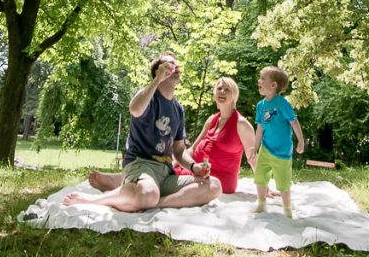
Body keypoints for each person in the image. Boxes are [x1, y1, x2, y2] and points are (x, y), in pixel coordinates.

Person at [63, 52, 222, 211]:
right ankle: (94, 199)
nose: (176, 66)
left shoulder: (178, 108)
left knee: (214, 185)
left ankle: (155, 201)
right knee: (148, 193)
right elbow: (135, 109)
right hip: (140, 164)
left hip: (165, 174)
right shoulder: (147, 96)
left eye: (176, 64)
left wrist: (194, 167)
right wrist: (157, 81)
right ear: (158, 71)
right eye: (169, 64)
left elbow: (179, 151)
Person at [88, 76, 257, 194]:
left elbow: (252, 157)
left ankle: (118, 182)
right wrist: (176, 162)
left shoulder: (241, 123)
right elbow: (191, 149)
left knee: (165, 177)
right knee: (166, 170)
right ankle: (123, 180)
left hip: (220, 178)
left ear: (234, 95)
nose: (222, 91)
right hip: (196, 169)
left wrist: (262, 184)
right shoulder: (212, 120)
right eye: (219, 88)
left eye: (227, 89)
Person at [247, 65, 304, 217]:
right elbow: (260, 127)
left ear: (273, 85)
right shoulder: (261, 105)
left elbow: (294, 122)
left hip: (282, 151)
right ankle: (261, 204)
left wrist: (301, 142)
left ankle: (287, 209)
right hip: (266, 148)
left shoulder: (282, 103)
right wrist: (255, 147)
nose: (259, 80)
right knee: (260, 177)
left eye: (263, 78)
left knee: (283, 182)